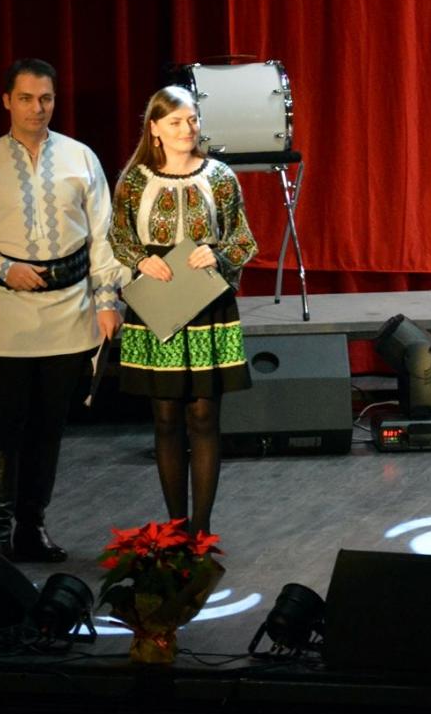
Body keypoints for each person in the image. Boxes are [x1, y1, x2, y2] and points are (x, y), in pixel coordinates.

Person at [0, 58, 128, 562]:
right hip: (6, 314)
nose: (36, 108)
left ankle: (32, 527)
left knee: (49, 427)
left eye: (45, 98)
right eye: (25, 98)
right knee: (2, 425)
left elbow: (103, 235)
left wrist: (107, 300)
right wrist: (2, 268)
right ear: (7, 101)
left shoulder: (80, 158)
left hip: (70, 311)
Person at [108, 85, 257, 534]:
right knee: (166, 416)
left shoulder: (219, 176)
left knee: (204, 415)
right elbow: (118, 236)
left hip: (206, 301)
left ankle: (202, 529)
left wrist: (219, 254)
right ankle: (175, 527)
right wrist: (140, 260)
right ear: (154, 128)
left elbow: (243, 238)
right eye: (175, 121)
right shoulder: (135, 180)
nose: (187, 129)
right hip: (160, 298)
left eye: (192, 119)